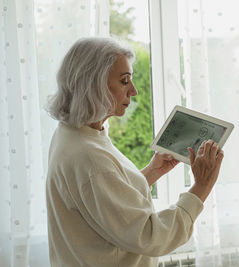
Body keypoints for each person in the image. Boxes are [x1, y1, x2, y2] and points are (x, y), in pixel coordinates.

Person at [45, 37, 224, 267]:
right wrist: (202, 186)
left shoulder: (73, 134)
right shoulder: (90, 158)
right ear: (93, 84)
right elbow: (151, 236)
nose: (134, 91)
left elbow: (102, 201)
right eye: (124, 81)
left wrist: (150, 172)